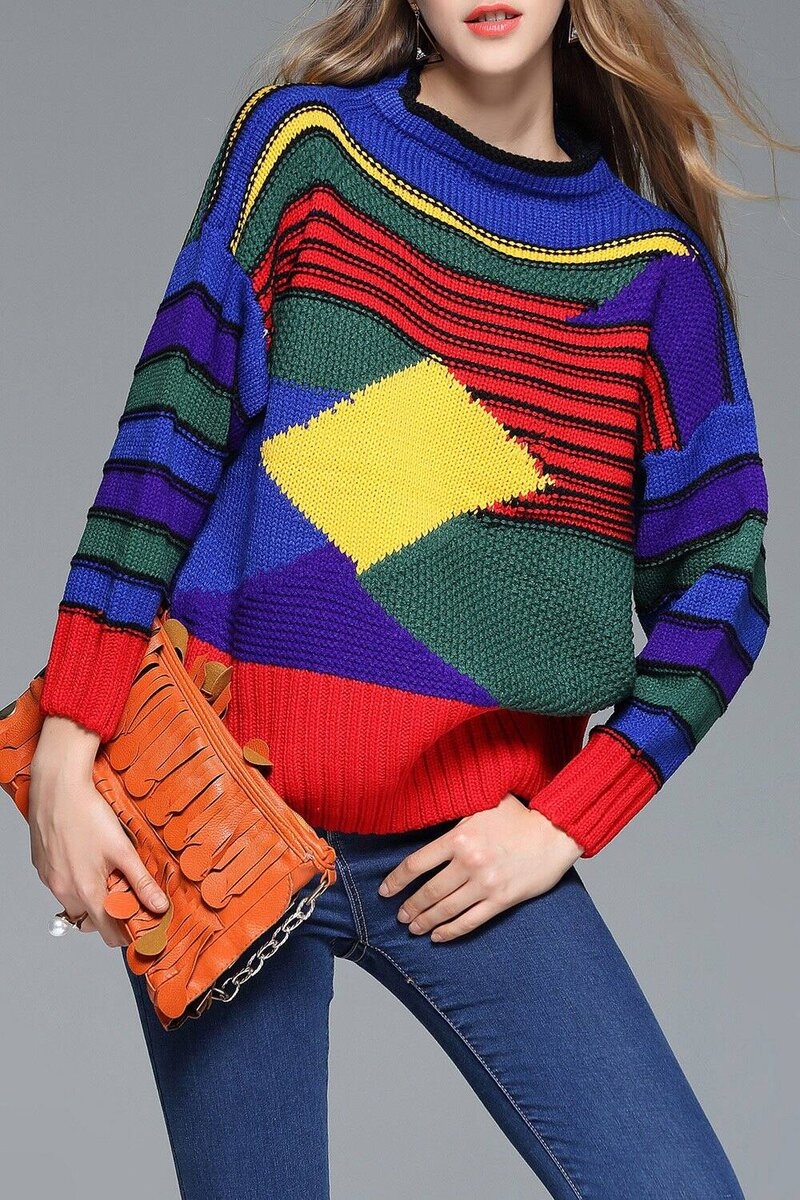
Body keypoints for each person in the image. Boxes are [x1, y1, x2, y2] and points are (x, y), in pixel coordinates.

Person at [26, 1, 788, 1196]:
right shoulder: (305, 152)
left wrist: (562, 821)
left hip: (464, 848)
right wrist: (68, 738)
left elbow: (723, 589)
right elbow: (168, 434)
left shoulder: (649, 278)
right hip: (226, 823)